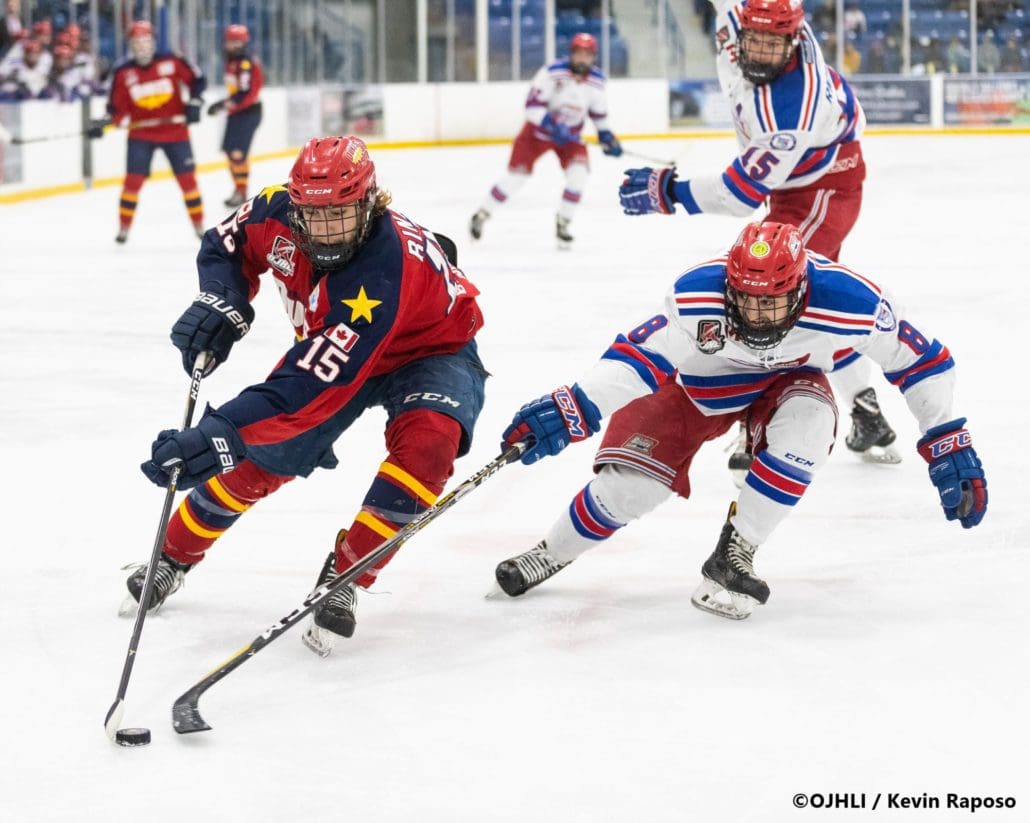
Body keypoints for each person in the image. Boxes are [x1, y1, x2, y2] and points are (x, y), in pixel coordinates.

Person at [492, 221, 987, 619]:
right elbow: (637, 356)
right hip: (697, 386)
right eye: (746, 299)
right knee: (631, 490)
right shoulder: (697, 294)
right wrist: (576, 403)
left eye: (770, 302)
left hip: (786, 383)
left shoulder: (852, 301)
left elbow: (922, 361)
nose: (756, 315)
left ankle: (735, 552)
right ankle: (550, 552)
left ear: (800, 290)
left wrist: (947, 438)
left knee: (810, 425)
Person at [130, 136, 487, 658]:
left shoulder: (384, 270)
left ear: (370, 202)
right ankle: (172, 556)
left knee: (430, 445)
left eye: (338, 215)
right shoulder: (277, 209)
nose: (322, 231)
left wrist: (222, 430)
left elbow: (310, 388)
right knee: (257, 462)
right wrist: (224, 299)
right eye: (311, 216)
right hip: (337, 347)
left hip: (431, 347)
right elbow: (224, 244)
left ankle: (350, 571)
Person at [618, 0, 901, 470]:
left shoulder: (792, 107)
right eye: (757, 39)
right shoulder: (744, 13)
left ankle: (761, 425)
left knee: (768, 296)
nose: (763, 51)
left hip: (822, 190)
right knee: (809, 302)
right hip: (797, 189)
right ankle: (866, 408)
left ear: (793, 40)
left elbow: (737, 194)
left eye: (776, 43)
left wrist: (668, 191)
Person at [469, 32, 623, 249]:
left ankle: (563, 223)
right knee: (516, 177)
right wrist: (551, 124)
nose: (582, 59)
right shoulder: (552, 72)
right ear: (571, 53)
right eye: (578, 53)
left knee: (578, 177)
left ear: (593, 57)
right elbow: (531, 106)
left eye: (586, 54)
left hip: (570, 137)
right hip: (536, 134)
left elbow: (598, 115)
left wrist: (607, 136)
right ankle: (482, 213)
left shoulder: (597, 81)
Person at [89, 20, 206, 244]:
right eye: (137, 42)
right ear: (131, 45)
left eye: (145, 41)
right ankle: (123, 229)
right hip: (141, 135)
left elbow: (197, 80)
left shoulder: (172, 61)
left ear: (153, 42)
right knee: (132, 182)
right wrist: (104, 122)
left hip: (175, 132)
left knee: (187, 181)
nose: (142, 46)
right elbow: (117, 110)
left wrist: (195, 101)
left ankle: (199, 225)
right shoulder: (123, 73)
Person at [206, 23, 264, 208]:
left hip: (247, 113)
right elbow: (237, 92)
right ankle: (239, 189)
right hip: (237, 112)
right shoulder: (231, 62)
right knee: (230, 152)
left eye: (236, 42)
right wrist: (226, 104)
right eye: (230, 42)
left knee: (238, 153)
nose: (232, 46)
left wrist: (225, 104)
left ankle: (242, 191)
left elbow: (246, 93)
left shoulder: (245, 63)